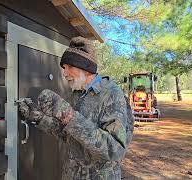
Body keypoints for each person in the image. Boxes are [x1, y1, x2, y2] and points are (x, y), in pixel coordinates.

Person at [17, 36, 133, 180]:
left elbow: (115, 150)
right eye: (64, 68)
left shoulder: (111, 94)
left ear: (86, 67)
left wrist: (69, 115)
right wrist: (38, 117)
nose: (64, 73)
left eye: (69, 67)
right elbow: (66, 134)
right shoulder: (75, 94)